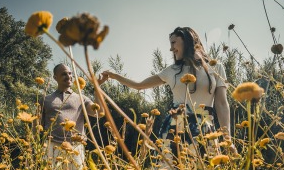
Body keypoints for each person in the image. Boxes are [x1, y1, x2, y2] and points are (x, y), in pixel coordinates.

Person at [101, 26, 236, 161]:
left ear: (187, 41)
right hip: (174, 130)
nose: (171, 48)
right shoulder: (171, 71)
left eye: (173, 43)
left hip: (205, 129)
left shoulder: (216, 68)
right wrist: (114, 76)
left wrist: (227, 138)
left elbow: (222, 104)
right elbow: (139, 85)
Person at [40, 63, 102, 170]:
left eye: (69, 73)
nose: (68, 76)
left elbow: (98, 112)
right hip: (52, 145)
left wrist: (97, 88)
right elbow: (37, 125)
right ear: (55, 77)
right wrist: (37, 147)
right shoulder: (46, 99)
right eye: (63, 74)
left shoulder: (81, 98)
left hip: (75, 146)